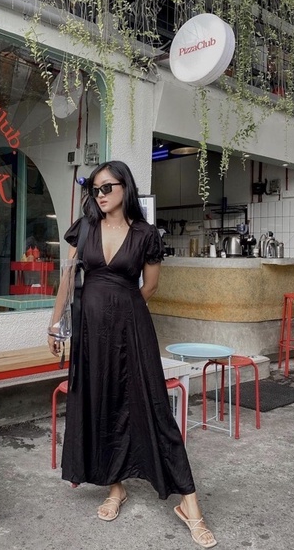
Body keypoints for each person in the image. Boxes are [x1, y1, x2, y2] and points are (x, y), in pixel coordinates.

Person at [47, 160, 217, 548]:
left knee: (154, 407)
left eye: (107, 187)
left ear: (126, 187)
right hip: (91, 333)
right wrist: (55, 324)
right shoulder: (84, 228)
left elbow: (150, 286)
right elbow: (68, 278)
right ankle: (115, 488)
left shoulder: (145, 234)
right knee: (104, 405)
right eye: (95, 189)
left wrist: (122, 312)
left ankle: (190, 504)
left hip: (132, 330)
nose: (100, 195)